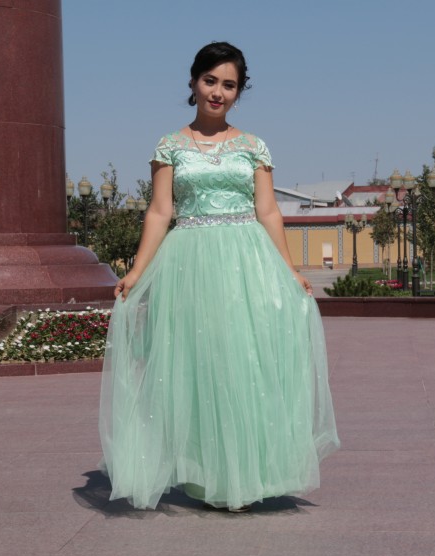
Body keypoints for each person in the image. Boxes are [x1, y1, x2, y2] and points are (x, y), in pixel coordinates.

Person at [99, 41, 339, 512]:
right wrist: (137, 269)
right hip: (188, 265)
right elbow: (160, 211)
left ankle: (243, 475)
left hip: (246, 262)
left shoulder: (253, 147)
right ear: (193, 82)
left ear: (238, 92)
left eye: (229, 85)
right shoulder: (169, 146)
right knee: (197, 365)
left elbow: (268, 211)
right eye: (210, 81)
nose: (218, 92)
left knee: (243, 362)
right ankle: (205, 474)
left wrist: (289, 270)